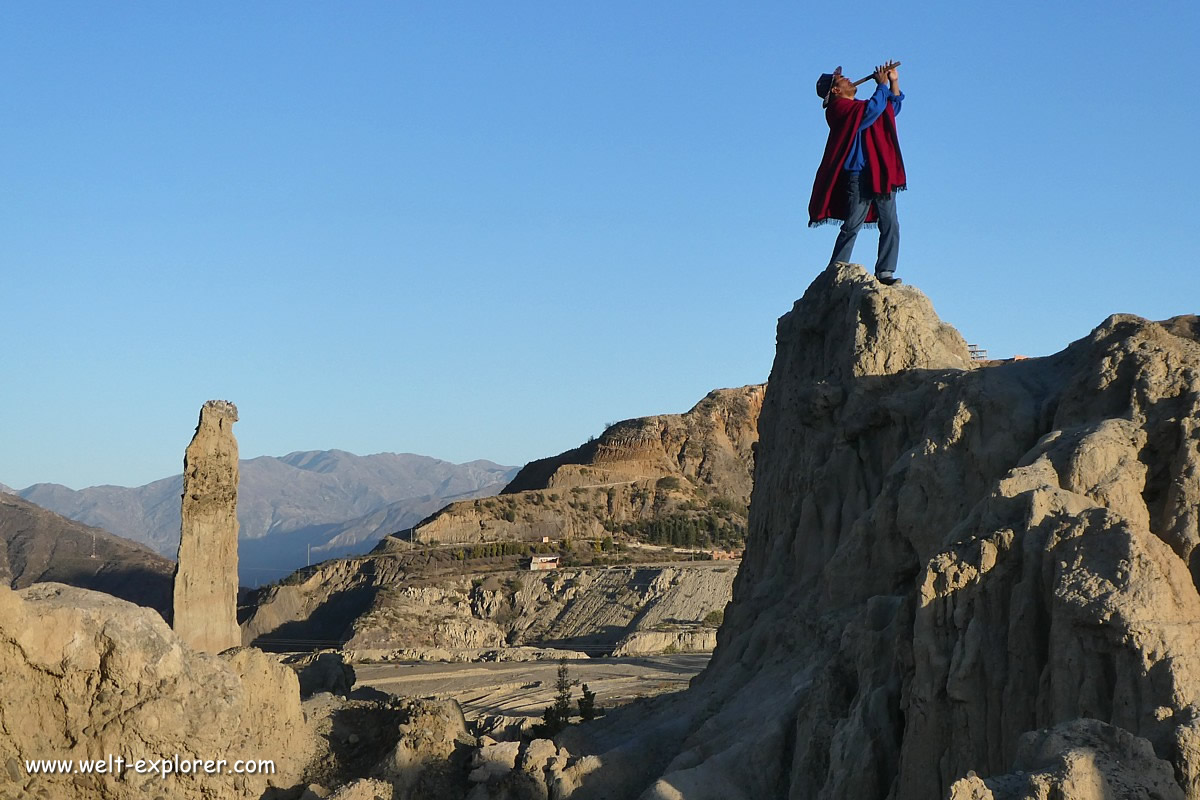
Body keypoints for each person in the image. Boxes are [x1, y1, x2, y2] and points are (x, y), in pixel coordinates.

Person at [808, 62, 906, 285]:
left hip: (881, 171)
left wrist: (893, 82)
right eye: (843, 80)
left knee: (890, 222)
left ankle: (885, 273)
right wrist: (881, 86)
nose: (849, 80)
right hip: (858, 173)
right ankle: (836, 270)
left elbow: (891, 109)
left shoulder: (860, 106)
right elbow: (872, 110)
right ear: (835, 90)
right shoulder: (838, 110)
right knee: (853, 224)